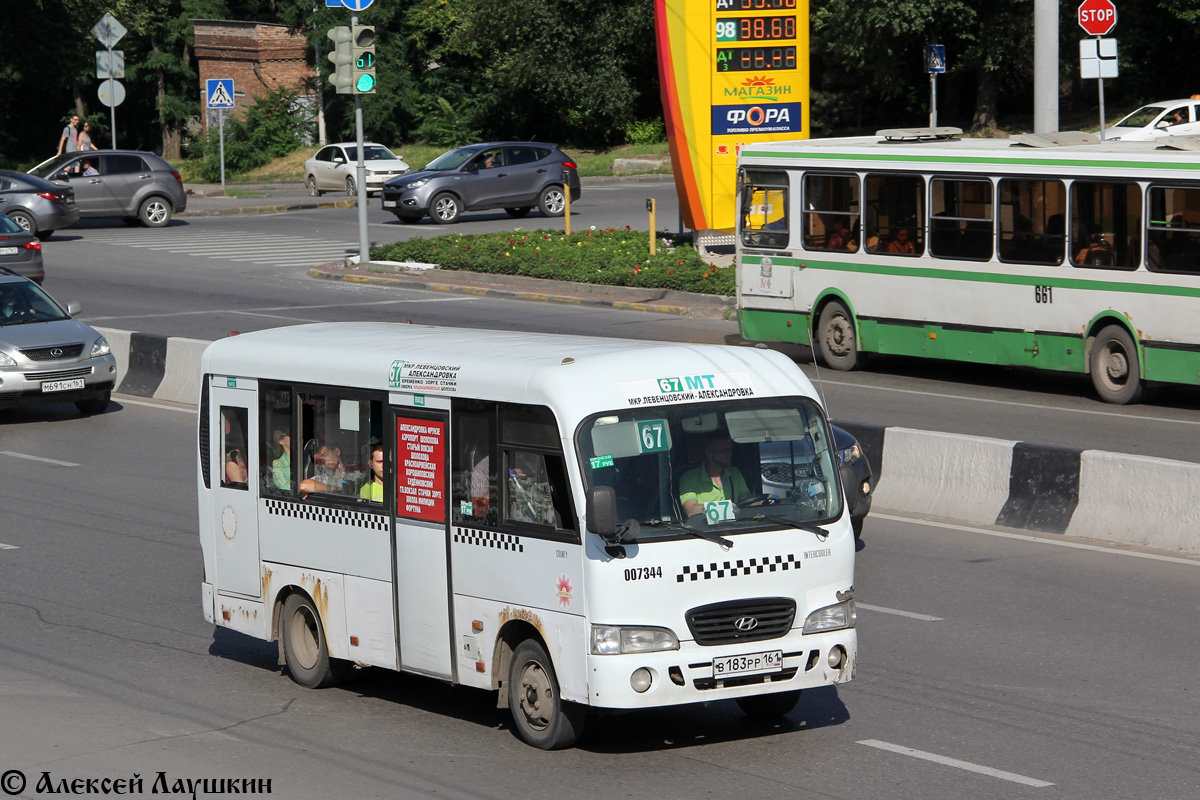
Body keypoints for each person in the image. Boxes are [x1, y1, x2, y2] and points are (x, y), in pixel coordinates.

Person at [679, 431, 753, 519]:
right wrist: (723, 508)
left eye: (729, 449)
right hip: (703, 530)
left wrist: (764, 503)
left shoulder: (734, 473)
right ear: (708, 453)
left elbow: (747, 501)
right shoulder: (689, 478)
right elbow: (691, 510)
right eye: (723, 450)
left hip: (735, 528)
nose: (728, 454)